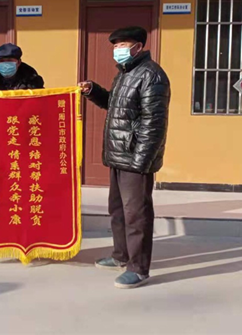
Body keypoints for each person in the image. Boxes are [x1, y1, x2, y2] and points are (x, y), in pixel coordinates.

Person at [79, 26, 170, 289]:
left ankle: (139, 269)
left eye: (122, 45)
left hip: (135, 159)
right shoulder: (125, 74)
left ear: (138, 46)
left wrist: (141, 162)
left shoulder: (152, 75)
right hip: (118, 155)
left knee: (136, 215)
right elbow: (114, 105)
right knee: (118, 210)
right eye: (115, 46)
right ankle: (121, 256)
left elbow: (154, 124)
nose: (117, 50)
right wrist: (93, 91)